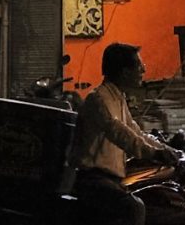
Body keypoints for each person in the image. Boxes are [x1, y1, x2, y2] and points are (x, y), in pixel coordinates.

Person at [70, 43, 178, 225]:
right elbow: (118, 132)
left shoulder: (118, 98)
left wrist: (169, 150)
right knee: (134, 207)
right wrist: (153, 153)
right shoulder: (99, 99)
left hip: (113, 178)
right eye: (139, 66)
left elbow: (135, 131)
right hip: (93, 179)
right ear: (124, 72)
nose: (143, 70)